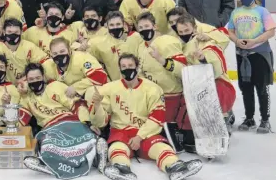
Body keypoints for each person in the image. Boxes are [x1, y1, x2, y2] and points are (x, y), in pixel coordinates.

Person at [90, 53, 202, 180]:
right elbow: (100, 122)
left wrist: (139, 136)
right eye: (124, 66)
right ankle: (120, 169)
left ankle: (175, 167)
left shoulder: (153, 89)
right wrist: (97, 105)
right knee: (117, 148)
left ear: (137, 67)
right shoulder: (108, 89)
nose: (127, 69)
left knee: (160, 147)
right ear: (120, 69)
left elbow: (157, 117)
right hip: (121, 131)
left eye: (131, 65)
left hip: (146, 132)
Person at [19, 63, 99, 179]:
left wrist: (87, 122)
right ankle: (47, 162)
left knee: (83, 136)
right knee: (47, 143)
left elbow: (77, 104)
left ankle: (95, 150)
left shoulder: (55, 86)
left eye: (38, 78)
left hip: (68, 121)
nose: (35, 81)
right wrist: (21, 94)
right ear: (27, 80)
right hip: (50, 128)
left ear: (43, 77)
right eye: (31, 79)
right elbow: (22, 120)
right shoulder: (27, 98)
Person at [134, 12, 193, 152]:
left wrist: (162, 60)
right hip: (153, 98)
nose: (144, 30)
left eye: (146, 26)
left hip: (172, 97)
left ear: (154, 26)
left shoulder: (167, 41)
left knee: (172, 144)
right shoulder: (141, 47)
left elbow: (183, 70)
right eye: (140, 28)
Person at [227, 0, 275, 133]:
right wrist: (236, 41)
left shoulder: (262, 11)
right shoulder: (236, 12)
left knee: (262, 88)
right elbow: (230, 31)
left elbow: (271, 31)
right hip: (242, 55)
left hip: (259, 54)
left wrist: (255, 41)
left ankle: (265, 120)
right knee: (246, 88)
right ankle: (249, 119)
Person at [176, 14, 236, 134]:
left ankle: (223, 117)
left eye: (186, 30)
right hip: (195, 85)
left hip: (219, 84)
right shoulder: (178, 45)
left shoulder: (207, 42)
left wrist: (203, 58)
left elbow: (216, 66)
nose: (183, 33)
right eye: (180, 31)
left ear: (194, 28)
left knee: (214, 95)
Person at [0, 19, 49, 84]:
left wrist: (25, 78)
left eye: (16, 32)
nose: (13, 35)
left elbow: (45, 62)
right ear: (4, 32)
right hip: (2, 87)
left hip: (26, 85)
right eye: (9, 32)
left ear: (21, 32)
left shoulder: (29, 46)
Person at [42, 37, 108, 102]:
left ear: (69, 50)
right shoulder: (49, 65)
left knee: (92, 92)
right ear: (50, 54)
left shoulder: (82, 57)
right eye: (55, 53)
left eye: (62, 51)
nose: (59, 56)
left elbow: (101, 77)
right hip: (73, 102)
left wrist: (76, 87)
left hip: (99, 96)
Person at [88, 11, 142, 81]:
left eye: (118, 24)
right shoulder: (98, 43)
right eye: (112, 25)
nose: (115, 27)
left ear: (123, 24)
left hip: (138, 82)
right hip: (115, 85)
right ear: (107, 26)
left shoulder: (136, 37)